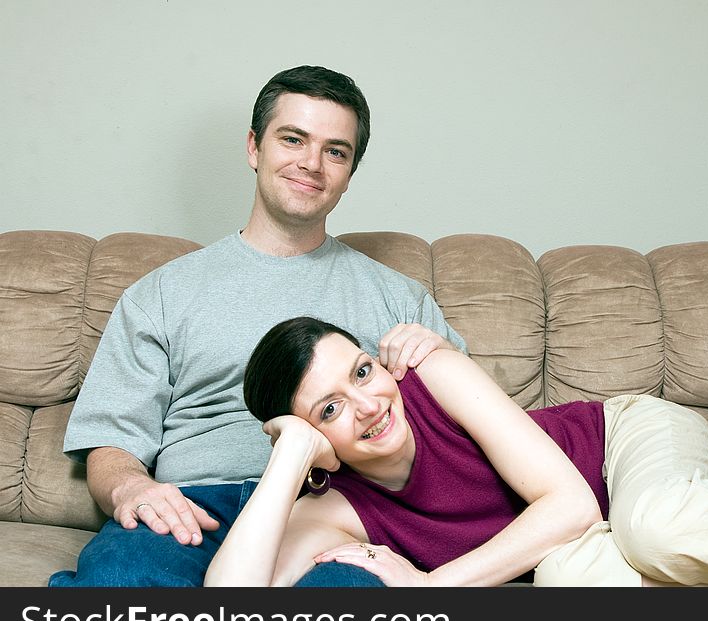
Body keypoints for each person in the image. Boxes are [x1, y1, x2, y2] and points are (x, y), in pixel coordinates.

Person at [49, 66, 466, 587]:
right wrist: (132, 488)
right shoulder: (160, 294)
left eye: (335, 151)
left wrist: (438, 357)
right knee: (119, 579)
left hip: (341, 512)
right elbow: (112, 441)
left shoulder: (400, 298)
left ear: (350, 171)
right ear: (254, 147)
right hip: (196, 509)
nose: (311, 164)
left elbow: (469, 440)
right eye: (293, 139)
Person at [205, 316, 708, 587]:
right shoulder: (337, 506)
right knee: (569, 581)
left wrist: (432, 587)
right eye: (328, 411)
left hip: (624, 445)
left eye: (360, 371)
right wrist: (290, 454)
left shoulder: (430, 374)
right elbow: (226, 613)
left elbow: (571, 503)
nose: (369, 403)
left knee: (656, 525)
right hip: (586, 543)